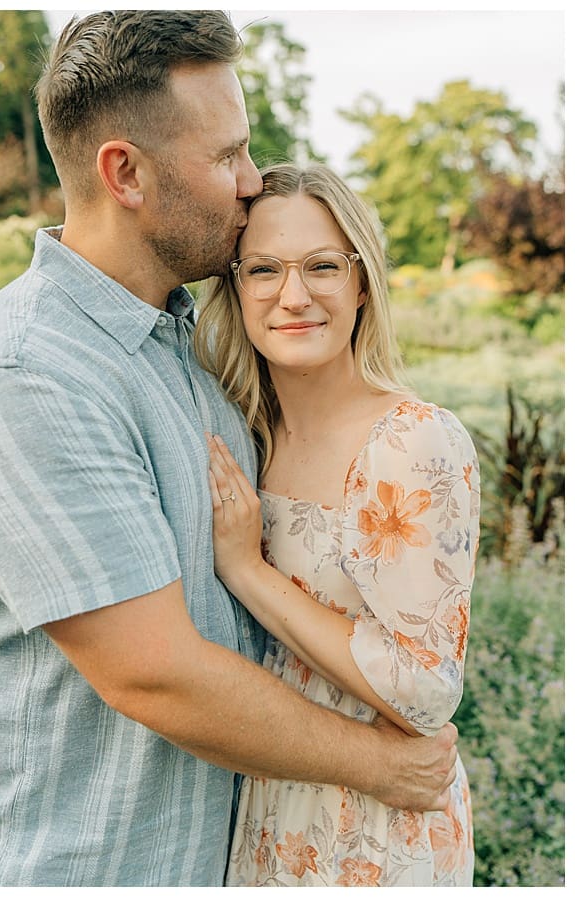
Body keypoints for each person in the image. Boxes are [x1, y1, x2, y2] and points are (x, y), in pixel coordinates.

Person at [0, 10, 459, 887]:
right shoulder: (33, 365)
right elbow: (155, 673)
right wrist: (383, 764)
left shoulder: (192, 350)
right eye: (227, 155)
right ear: (124, 172)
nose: (251, 183)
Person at [194, 162, 477, 885]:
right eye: (263, 270)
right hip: (272, 799)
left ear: (361, 281)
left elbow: (425, 688)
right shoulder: (248, 431)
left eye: (322, 265)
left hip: (379, 821)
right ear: (235, 287)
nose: (294, 296)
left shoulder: (414, 441)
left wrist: (248, 571)